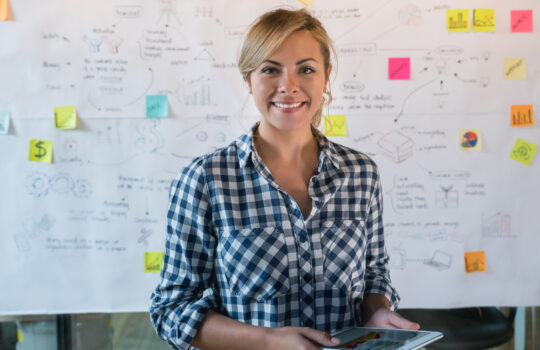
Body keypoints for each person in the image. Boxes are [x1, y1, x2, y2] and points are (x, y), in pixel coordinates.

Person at [150, 8, 419, 350]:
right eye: (270, 70)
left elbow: (374, 274)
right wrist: (268, 341)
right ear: (249, 79)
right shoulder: (205, 180)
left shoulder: (361, 173)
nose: (288, 86)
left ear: (326, 76)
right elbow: (172, 311)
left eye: (306, 69)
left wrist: (378, 312)